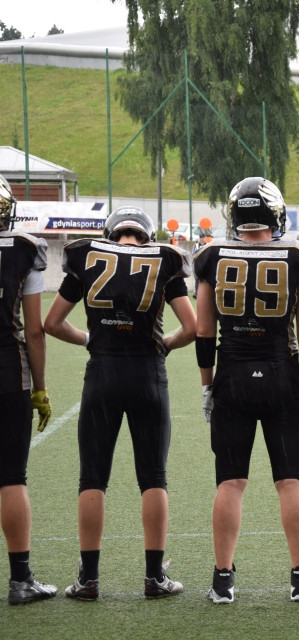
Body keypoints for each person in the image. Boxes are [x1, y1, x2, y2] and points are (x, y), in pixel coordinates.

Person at [44, 207, 195, 601]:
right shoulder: (165, 260)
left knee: (92, 477)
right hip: (147, 374)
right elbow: (194, 327)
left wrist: (89, 339)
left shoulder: (89, 258)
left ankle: (89, 579)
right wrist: (166, 344)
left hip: (103, 374)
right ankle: (153, 578)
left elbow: (53, 322)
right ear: (145, 236)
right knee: (153, 477)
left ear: (111, 234)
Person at [193, 177, 299, 604]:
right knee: (290, 480)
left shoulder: (211, 256)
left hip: (231, 374)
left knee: (230, 482)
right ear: (274, 214)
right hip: (280, 374)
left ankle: (223, 580)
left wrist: (207, 384)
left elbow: (203, 329)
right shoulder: (297, 258)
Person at [0, 175, 57, 605]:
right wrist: (40, 388)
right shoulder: (24, 248)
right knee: (11, 477)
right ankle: (20, 580)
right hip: (7, 371)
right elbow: (34, 331)